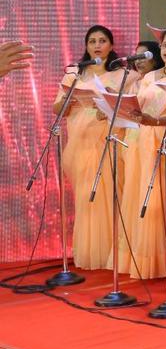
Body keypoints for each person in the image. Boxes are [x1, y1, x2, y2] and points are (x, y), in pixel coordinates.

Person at [52, 26, 122, 269]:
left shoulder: (122, 75)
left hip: (109, 143)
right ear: (86, 46)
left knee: (111, 196)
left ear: (111, 46)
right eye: (92, 41)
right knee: (86, 199)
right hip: (80, 145)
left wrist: (112, 99)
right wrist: (67, 99)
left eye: (102, 40)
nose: (97, 45)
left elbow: (129, 111)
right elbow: (58, 109)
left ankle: (113, 253)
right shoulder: (74, 75)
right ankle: (90, 253)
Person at [125, 28, 166, 279]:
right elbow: (140, 106)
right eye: (164, 45)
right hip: (146, 138)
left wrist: (156, 120)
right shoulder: (150, 76)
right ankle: (155, 260)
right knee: (150, 198)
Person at [112, 41, 164, 275]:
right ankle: (135, 250)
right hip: (134, 138)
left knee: (152, 196)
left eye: (144, 55)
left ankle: (157, 253)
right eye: (136, 57)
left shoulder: (158, 78)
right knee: (134, 192)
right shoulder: (137, 80)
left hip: (156, 137)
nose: (139, 60)